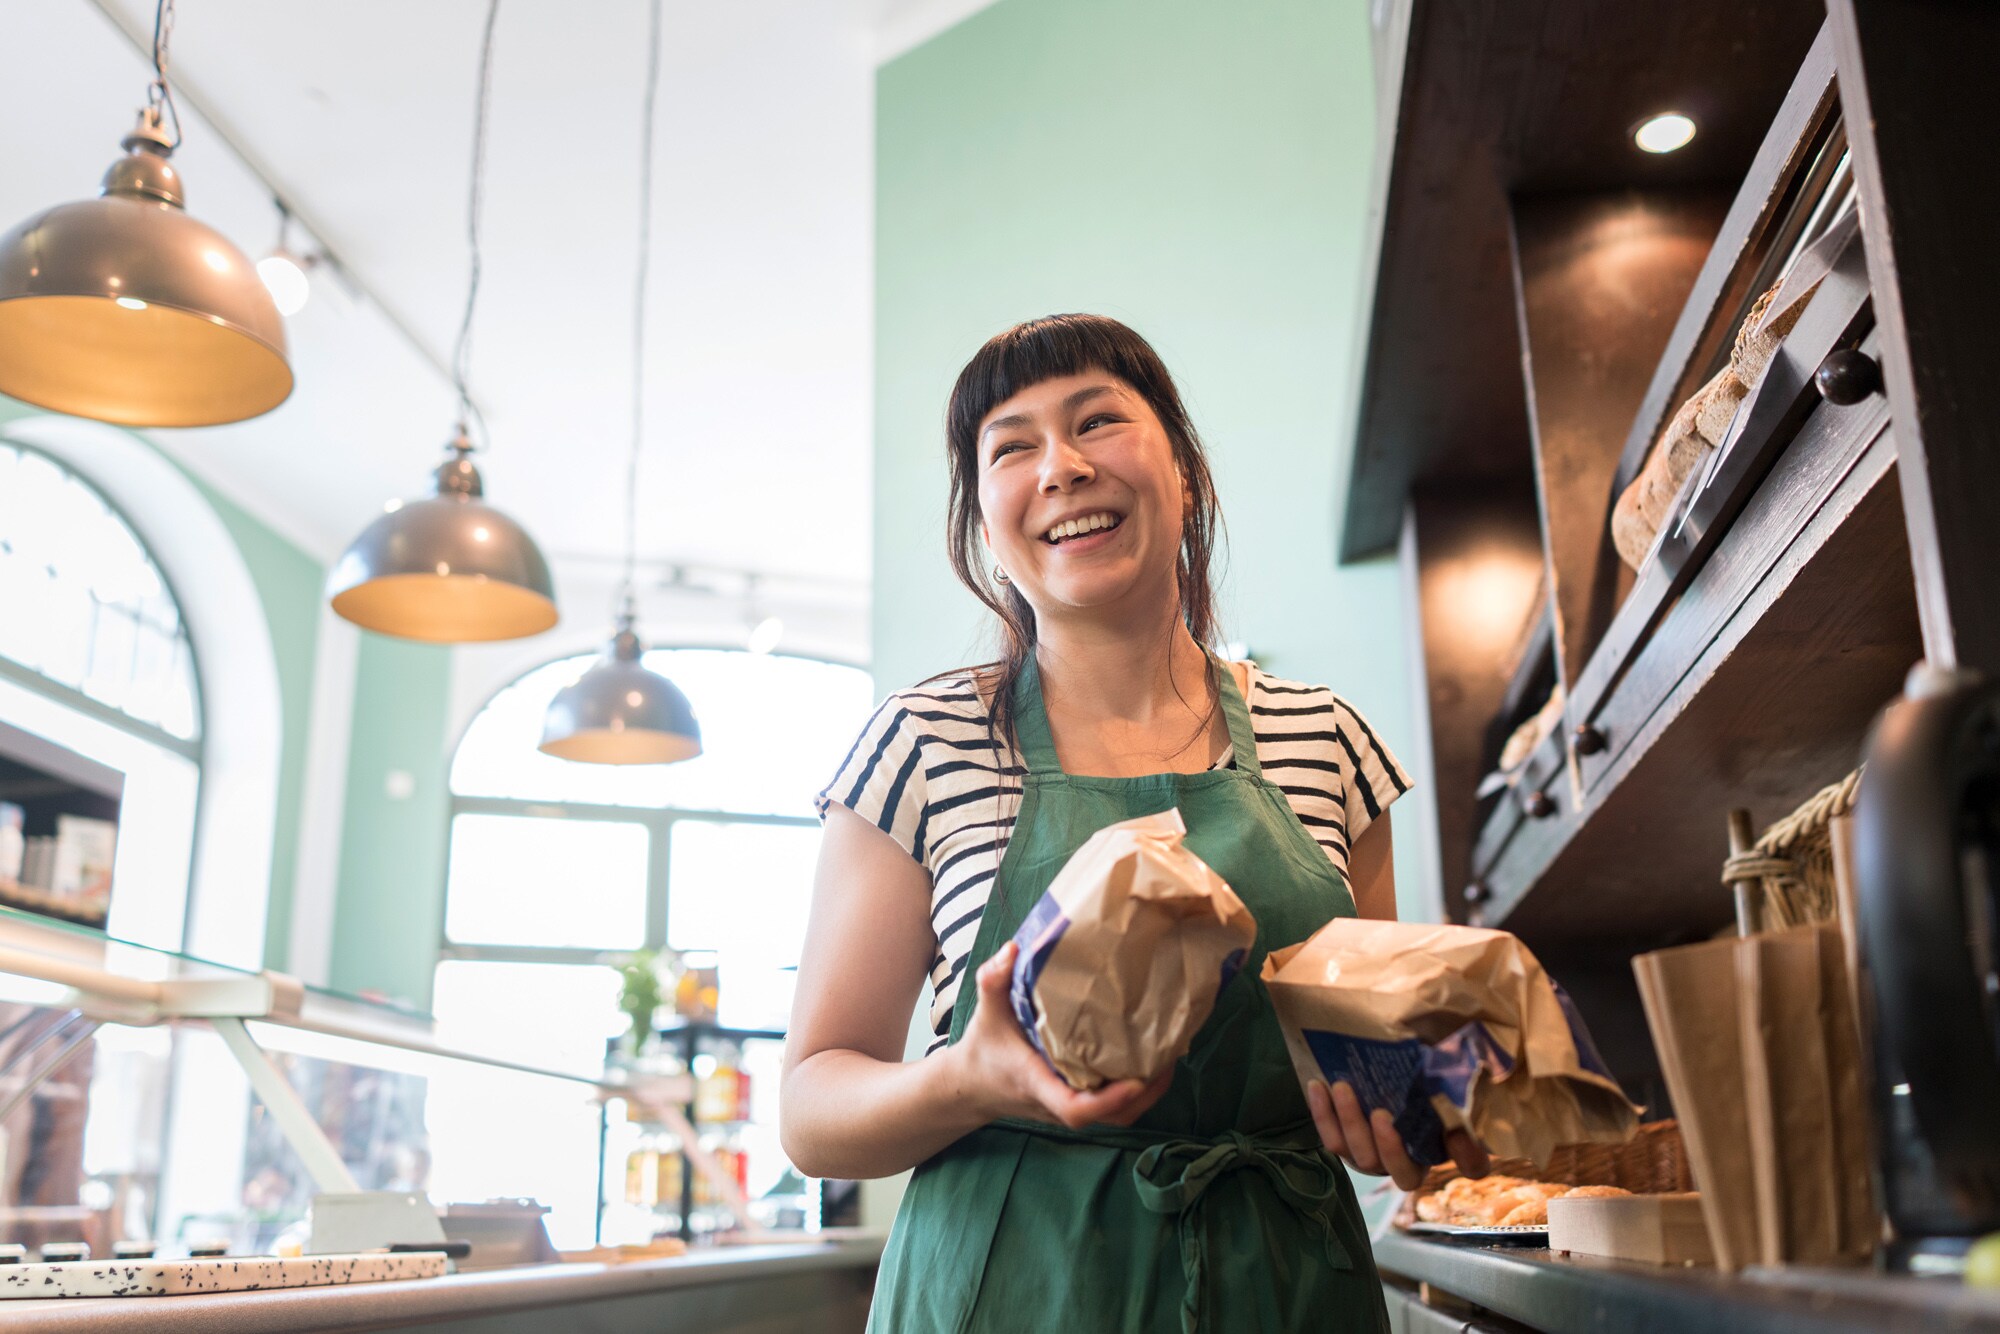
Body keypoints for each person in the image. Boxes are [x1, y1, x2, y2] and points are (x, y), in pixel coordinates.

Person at [781, 314, 1487, 1332]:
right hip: (1010, 1295)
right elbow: (811, 1109)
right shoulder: (922, 743)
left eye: (1096, 421)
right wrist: (967, 1078)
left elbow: (1374, 1049)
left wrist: (1412, 1110)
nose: (1060, 468)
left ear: (1183, 471)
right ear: (986, 520)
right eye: (1012, 446)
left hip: (1287, 1291)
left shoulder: (1323, 739)